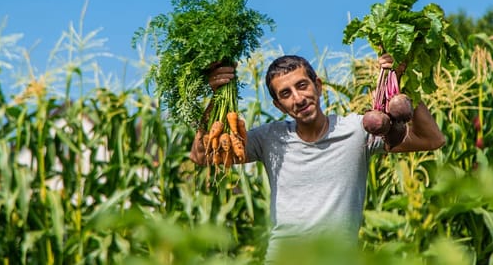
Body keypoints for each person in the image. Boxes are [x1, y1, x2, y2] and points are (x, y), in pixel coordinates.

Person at [189, 54, 445, 260]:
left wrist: (402, 83)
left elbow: (431, 139)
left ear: (318, 86)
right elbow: (200, 155)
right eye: (285, 93)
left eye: (302, 85)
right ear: (278, 106)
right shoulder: (269, 138)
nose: (298, 98)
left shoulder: (357, 130)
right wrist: (215, 97)